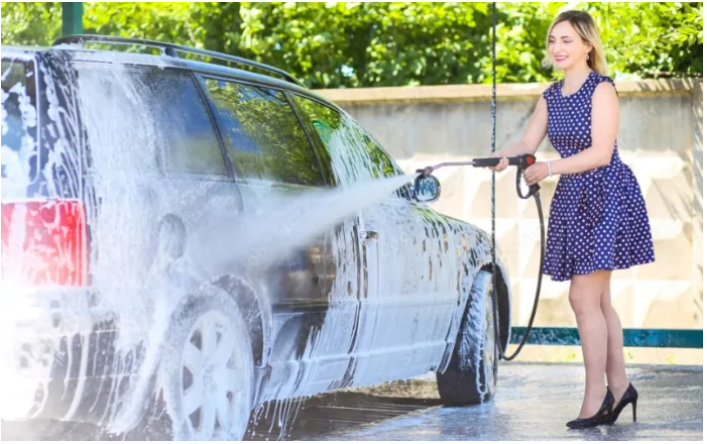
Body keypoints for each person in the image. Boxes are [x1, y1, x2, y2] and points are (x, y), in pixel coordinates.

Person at [488, 10, 655, 429]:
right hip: (574, 199)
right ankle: (620, 388)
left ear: (587, 45)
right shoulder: (550, 95)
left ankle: (596, 396)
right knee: (598, 301)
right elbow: (529, 141)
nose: (558, 48)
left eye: (567, 40)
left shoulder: (602, 90)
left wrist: (547, 168)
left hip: (606, 195)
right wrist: (505, 157)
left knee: (583, 299)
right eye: (552, 41)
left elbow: (601, 153)